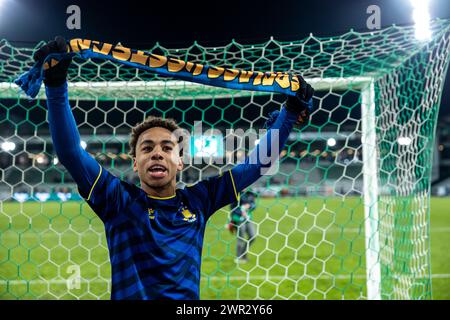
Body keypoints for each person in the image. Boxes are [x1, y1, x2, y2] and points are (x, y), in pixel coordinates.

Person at [37, 36, 314, 300]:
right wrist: (56, 84)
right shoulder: (118, 201)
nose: (157, 153)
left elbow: (256, 166)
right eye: (146, 148)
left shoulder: (199, 200)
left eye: (167, 148)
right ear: (135, 162)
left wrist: (289, 114)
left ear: (180, 161)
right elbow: (71, 153)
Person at [228, 190, 257, 264]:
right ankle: (238, 257)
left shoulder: (250, 194)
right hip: (238, 219)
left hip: (248, 218)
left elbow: (254, 205)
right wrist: (241, 211)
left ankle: (243, 254)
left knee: (252, 236)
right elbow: (232, 207)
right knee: (241, 238)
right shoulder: (235, 194)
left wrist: (249, 206)